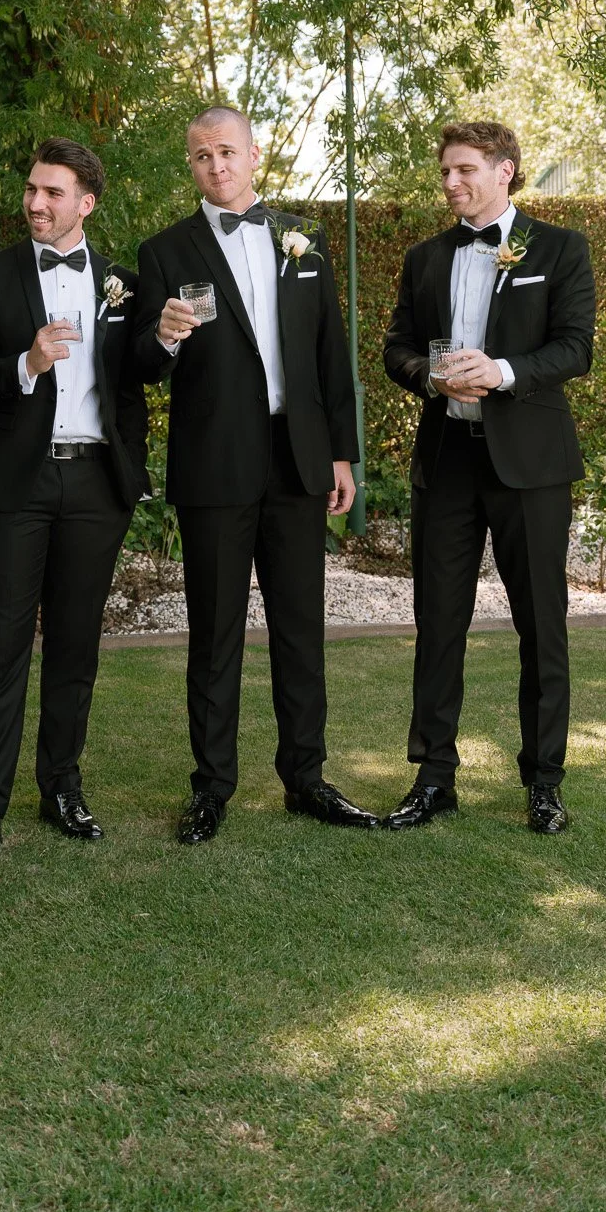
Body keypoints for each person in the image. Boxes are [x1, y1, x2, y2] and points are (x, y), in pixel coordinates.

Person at [132, 107, 377, 841]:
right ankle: (211, 788)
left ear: (253, 154)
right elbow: (139, 366)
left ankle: (307, 779)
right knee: (214, 634)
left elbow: (330, 351)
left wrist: (341, 454)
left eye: (227, 152)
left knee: (300, 630)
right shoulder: (163, 250)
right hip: (215, 464)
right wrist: (162, 338)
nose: (216, 166)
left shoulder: (303, 239)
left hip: (298, 459)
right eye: (201, 156)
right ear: (191, 165)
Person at [381, 120, 595, 834]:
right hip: (446, 461)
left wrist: (500, 371)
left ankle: (544, 782)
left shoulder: (558, 248)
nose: (450, 183)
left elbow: (574, 348)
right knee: (438, 623)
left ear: (505, 170)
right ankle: (432, 778)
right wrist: (430, 376)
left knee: (541, 625)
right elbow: (397, 347)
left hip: (530, 468)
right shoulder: (423, 257)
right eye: (445, 171)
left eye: (464, 169)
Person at [0, 139, 149, 869]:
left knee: (75, 644)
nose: (35, 203)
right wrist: (23, 364)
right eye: (32, 189)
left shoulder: (123, 283)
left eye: (52, 193)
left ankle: (61, 788)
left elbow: (140, 373)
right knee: (0, 646)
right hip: (15, 486)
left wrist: (169, 341)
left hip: (96, 484)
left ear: (85, 203)